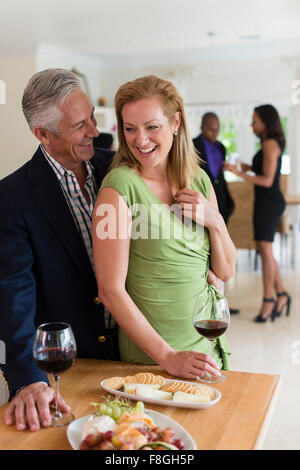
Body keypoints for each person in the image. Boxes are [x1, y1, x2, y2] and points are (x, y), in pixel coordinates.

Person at [92, 75, 236, 380]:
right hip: (153, 361)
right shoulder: (116, 189)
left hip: (207, 346)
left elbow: (225, 271)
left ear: (175, 123)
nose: (140, 140)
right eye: (130, 129)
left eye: (152, 126)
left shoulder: (198, 180)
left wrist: (215, 221)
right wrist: (168, 357)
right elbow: (110, 290)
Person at [0, 68, 119, 432]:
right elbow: (12, 296)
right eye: (80, 125)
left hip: (136, 353)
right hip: (72, 369)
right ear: (42, 134)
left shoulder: (116, 167)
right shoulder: (11, 198)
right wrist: (28, 378)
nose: (95, 132)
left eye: (93, 118)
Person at [224, 104, 290, 322]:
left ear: (265, 122)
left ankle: (268, 300)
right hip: (265, 202)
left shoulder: (270, 144)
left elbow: (268, 180)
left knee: (266, 252)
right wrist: (244, 166)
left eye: (255, 120)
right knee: (264, 251)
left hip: (269, 202)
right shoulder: (268, 144)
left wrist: (238, 174)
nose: (252, 124)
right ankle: (280, 295)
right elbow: (262, 171)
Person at [193, 112, 239, 315]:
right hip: (202, 205)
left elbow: (220, 176)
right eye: (211, 128)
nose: (215, 132)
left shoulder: (221, 147)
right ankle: (206, 303)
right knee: (207, 252)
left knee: (221, 250)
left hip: (221, 203)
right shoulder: (192, 145)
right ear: (203, 127)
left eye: (217, 128)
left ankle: (221, 303)